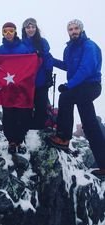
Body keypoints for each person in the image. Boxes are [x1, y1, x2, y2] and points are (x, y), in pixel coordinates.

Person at [49, 19, 105, 176]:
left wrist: (69, 85)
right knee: (90, 124)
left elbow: (85, 69)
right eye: (70, 29)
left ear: (81, 29)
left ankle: (63, 138)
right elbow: (68, 65)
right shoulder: (69, 49)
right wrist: (51, 60)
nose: (73, 31)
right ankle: (104, 164)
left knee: (65, 98)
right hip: (79, 87)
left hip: (90, 86)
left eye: (76, 28)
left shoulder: (89, 46)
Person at [0, 22, 31, 154]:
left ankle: (20, 139)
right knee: (8, 114)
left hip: (21, 88)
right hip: (6, 89)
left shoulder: (23, 48)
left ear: (15, 32)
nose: (8, 34)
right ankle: (11, 141)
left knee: (21, 114)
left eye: (11, 31)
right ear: (2, 33)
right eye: (5, 31)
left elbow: (30, 65)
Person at [22, 18, 53, 129]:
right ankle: (27, 125)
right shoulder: (21, 43)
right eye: (28, 27)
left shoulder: (42, 42)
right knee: (27, 105)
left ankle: (39, 126)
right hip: (26, 80)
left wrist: (49, 74)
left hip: (41, 79)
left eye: (33, 27)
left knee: (41, 104)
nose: (31, 29)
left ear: (36, 28)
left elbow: (47, 58)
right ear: (24, 29)